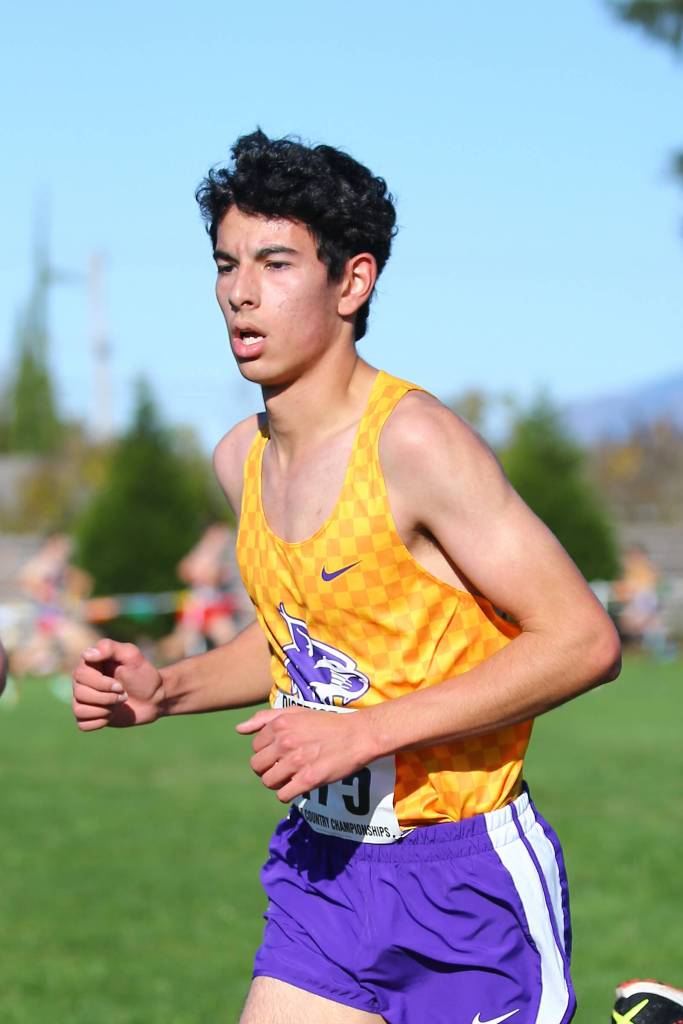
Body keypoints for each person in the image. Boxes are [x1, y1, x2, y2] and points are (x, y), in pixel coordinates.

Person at [72, 130, 621, 1024]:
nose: (240, 292)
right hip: (325, 872)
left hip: (464, 879)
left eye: (276, 263)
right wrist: (166, 687)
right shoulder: (237, 460)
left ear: (352, 282)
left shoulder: (414, 443)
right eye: (225, 263)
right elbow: (305, 641)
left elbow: (583, 640)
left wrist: (366, 735)